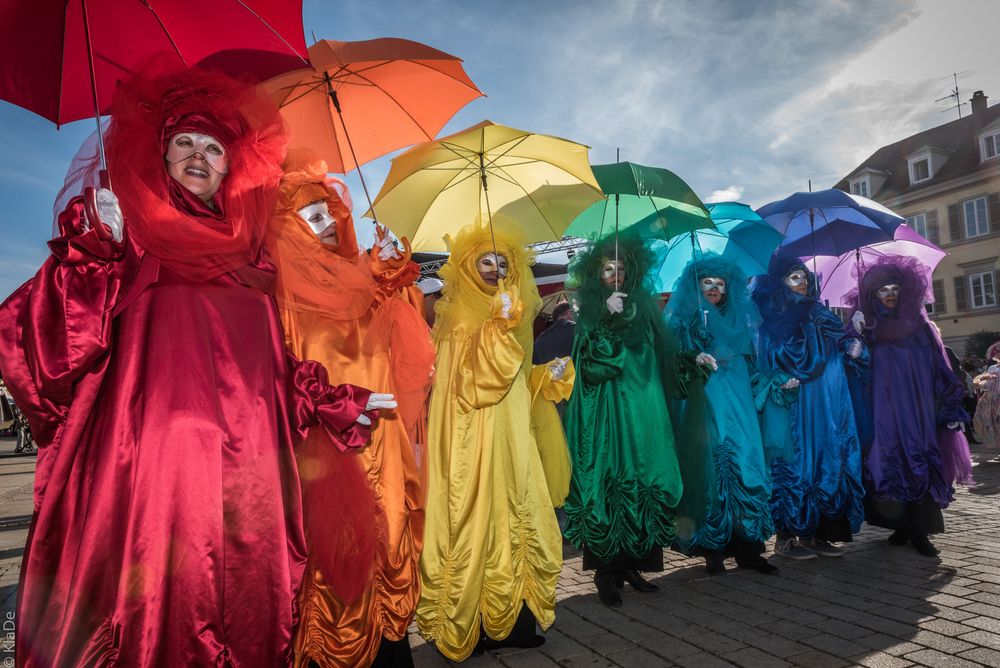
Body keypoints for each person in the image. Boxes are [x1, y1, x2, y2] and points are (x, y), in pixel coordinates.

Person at [0, 60, 390, 667]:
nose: (199, 156)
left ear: (234, 167)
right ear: (159, 153)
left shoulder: (255, 267)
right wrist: (91, 256)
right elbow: (41, 346)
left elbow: (272, 374)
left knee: (248, 615)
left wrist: (335, 400)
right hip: (151, 479)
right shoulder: (129, 243)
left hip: (250, 484)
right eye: (184, 141)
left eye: (214, 146)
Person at [267, 152, 435, 667]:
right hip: (323, 445)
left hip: (380, 436)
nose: (324, 223)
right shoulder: (277, 293)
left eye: (327, 212)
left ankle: (390, 648)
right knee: (335, 548)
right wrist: (327, 403)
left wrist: (390, 281)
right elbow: (278, 373)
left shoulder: (360, 276)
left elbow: (409, 352)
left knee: (390, 532)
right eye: (308, 215)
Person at [416, 222, 571, 661]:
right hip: (470, 436)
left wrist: (545, 375)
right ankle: (472, 625)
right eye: (486, 260)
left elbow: (514, 381)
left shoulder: (511, 311)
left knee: (516, 512)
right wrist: (495, 329)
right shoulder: (458, 315)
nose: (495, 269)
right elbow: (474, 383)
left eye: (503, 262)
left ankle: (516, 622)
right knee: (475, 515)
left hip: (509, 433)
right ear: (467, 265)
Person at [562, 232, 710, 607]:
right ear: (597, 274)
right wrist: (606, 321)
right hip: (610, 417)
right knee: (611, 485)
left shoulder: (644, 310)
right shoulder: (592, 312)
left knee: (647, 479)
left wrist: (691, 360)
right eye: (608, 268)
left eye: (622, 268)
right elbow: (592, 367)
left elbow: (662, 357)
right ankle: (606, 573)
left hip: (646, 413)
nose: (616, 274)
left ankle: (633, 566)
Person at [848, 257, 973, 556]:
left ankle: (919, 530)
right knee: (887, 463)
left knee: (918, 461)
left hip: (918, 412)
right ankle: (904, 526)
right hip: (882, 414)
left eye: (894, 288)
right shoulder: (869, 328)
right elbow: (857, 373)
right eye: (882, 290)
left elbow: (940, 369)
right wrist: (854, 340)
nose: (890, 294)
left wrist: (950, 408)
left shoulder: (922, 328)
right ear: (872, 295)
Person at [665, 254, 780, 575]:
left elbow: (754, 368)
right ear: (695, 285)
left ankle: (749, 550)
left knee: (747, 467)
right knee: (711, 470)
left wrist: (777, 383)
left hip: (740, 406)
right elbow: (669, 363)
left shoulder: (737, 321)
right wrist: (691, 355)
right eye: (708, 283)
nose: (715, 289)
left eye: (720, 284)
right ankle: (712, 549)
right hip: (705, 405)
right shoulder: (682, 319)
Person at [752, 252, 866, 560]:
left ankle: (820, 534)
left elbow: (838, 350)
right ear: (779, 283)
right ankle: (787, 535)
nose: (802, 282)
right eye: (794, 277)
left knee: (828, 459)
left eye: (804, 277)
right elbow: (778, 359)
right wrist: (809, 332)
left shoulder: (820, 312)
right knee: (794, 463)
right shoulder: (770, 318)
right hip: (794, 401)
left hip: (828, 401)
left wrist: (854, 341)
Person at [974, 343, 1000, 449]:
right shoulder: (992, 368)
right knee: (993, 425)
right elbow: (987, 383)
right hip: (989, 399)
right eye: (998, 354)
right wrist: (980, 383)